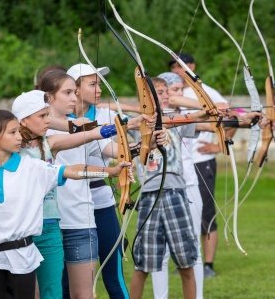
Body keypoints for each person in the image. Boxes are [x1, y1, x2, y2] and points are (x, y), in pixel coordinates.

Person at [0, 109, 131, 299]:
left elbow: (74, 171)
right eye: (12, 132)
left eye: (18, 131)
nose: (19, 137)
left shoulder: (31, 167)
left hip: (22, 257)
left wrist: (110, 172)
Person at [54, 64, 163, 299]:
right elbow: (89, 132)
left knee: (113, 275)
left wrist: (147, 144)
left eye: (99, 84)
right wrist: (129, 126)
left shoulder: (104, 114)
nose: (98, 89)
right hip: (67, 205)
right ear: (75, 88)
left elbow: (114, 148)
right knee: (65, 280)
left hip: (100, 200)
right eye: (92, 84)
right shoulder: (56, 120)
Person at [11, 88, 124, 299]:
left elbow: (87, 136)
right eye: (42, 116)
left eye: (47, 115)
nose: (48, 121)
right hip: (23, 228)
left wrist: (114, 132)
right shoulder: (10, 148)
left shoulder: (49, 143)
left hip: (50, 226)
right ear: (24, 120)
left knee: (52, 292)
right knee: (30, 293)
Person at [169, 52, 227, 278]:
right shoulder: (172, 94)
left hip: (202, 162)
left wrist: (218, 147)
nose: (177, 71)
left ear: (191, 66)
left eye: (180, 66)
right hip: (178, 164)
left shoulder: (206, 92)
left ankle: (208, 265)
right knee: (180, 214)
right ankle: (184, 260)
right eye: (173, 67)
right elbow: (172, 102)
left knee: (206, 214)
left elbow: (227, 113)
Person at [150, 73, 204, 299]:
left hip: (185, 187)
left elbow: (207, 111)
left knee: (192, 251)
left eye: (170, 92)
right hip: (153, 191)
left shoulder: (180, 118)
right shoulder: (139, 121)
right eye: (160, 92)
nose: (168, 97)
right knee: (158, 254)